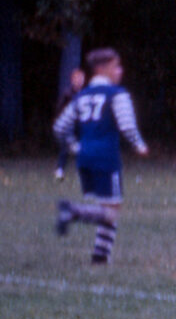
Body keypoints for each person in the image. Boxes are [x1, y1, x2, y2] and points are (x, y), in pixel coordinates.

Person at [52, 49, 149, 265]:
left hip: (84, 158)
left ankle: (100, 257)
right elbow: (126, 124)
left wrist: (75, 147)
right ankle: (72, 211)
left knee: (108, 206)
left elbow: (60, 128)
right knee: (111, 212)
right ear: (101, 69)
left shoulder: (81, 96)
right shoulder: (117, 94)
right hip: (106, 159)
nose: (120, 70)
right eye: (116, 66)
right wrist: (139, 144)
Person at [54, 67, 87, 181]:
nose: (79, 81)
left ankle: (82, 173)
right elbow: (59, 108)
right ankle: (59, 170)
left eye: (81, 78)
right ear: (72, 80)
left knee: (82, 150)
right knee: (65, 149)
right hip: (69, 126)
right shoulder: (67, 93)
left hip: (81, 126)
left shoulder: (85, 94)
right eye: (77, 78)